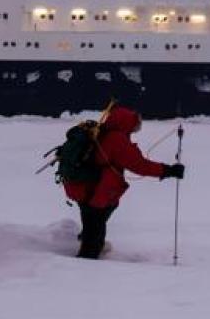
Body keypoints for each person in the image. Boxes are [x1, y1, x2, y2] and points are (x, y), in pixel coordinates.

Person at [62, 106, 184, 259]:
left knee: (95, 217)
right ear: (126, 123)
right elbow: (139, 165)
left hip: (84, 187)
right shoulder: (117, 139)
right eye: (136, 123)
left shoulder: (103, 132)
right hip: (96, 192)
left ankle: (88, 239)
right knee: (95, 224)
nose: (138, 126)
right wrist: (168, 171)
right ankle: (85, 263)